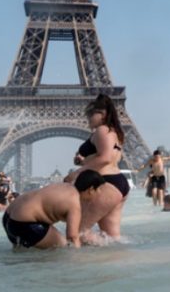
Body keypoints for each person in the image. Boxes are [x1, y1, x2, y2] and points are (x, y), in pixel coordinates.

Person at [65, 94, 130, 239]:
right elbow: (111, 157)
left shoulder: (102, 130)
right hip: (118, 183)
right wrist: (83, 161)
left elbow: (105, 158)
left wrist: (76, 173)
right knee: (112, 238)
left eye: (90, 114)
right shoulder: (114, 132)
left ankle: (75, 261)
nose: (87, 118)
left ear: (102, 114)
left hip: (105, 184)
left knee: (77, 233)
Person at [2, 170, 107, 249]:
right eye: (99, 190)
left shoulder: (64, 186)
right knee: (63, 248)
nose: (100, 193)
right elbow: (72, 237)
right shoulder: (74, 203)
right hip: (25, 224)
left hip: (8, 217)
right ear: (91, 189)